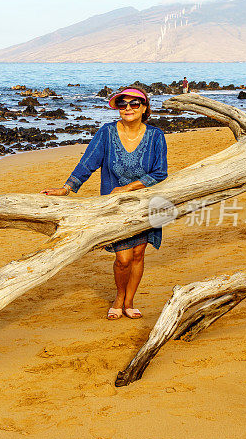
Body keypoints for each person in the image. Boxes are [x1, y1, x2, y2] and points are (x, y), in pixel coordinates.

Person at [41, 87, 168, 320]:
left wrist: (128, 188)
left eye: (134, 103)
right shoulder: (107, 133)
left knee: (138, 255)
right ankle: (119, 297)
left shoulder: (156, 136)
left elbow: (160, 173)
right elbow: (87, 163)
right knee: (123, 259)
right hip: (115, 207)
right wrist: (67, 188)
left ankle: (129, 302)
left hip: (146, 203)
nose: (128, 108)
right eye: (123, 104)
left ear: (145, 108)